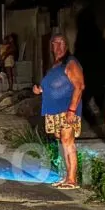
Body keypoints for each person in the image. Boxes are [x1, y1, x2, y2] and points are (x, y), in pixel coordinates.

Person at [33, 34, 85, 190]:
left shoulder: (71, 63)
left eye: (62, 43)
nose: (58, 46)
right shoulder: (55, 65)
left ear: (67, 45)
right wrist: (40, 89)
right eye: (55, 43)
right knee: (61, 143)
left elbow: (80, 86)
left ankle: (72, 179)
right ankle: (65, 176)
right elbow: (54, 85)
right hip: (54, 111)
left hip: (66, 109)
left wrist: (72, 110)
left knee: (68, 142)